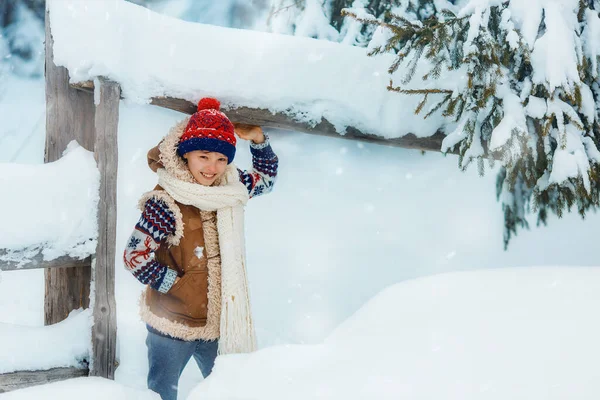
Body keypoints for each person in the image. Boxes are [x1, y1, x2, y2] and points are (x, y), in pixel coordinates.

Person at [123, 97, 279, 400]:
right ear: (186, 155)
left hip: (220, 325)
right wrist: (177, 286)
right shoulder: (166, 201)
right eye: (203, 156)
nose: (212, 167)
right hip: (172, 327)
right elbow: (134, 257)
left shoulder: (229, 188)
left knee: (233, 391)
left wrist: (259, 141)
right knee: (162, 395)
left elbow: (267, 181)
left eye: (221, 159)